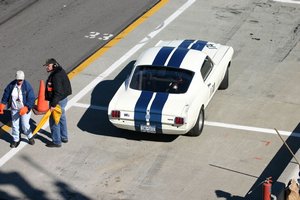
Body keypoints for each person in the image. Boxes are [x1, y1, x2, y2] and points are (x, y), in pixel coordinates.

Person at [0, 70, 35, 148]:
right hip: (15, 109)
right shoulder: (11, 85)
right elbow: (6, 94)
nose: (19, 81)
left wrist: (26, 107)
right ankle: (16, 140)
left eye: (21, 80)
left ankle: (30, 136)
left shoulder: (27, 86)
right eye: (18, 80)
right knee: (15, 125)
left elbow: (31, 98)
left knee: (25, 125)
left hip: (24, 110)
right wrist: (2, 104)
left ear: (23, 79)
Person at [43, 58, 72, 147]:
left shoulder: (56, 76)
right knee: (62, 117)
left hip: (57, 101)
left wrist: (53, 105)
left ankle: (56, 141)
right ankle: (64, 137)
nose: (47, 67)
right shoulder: (60, 71)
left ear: (54, 65)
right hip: (63, 99)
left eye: (48, 66)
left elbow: (58, 92)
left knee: (54, 120)